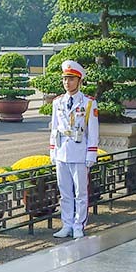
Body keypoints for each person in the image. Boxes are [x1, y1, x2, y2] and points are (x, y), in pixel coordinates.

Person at [49, 59, 100, 240]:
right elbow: (54, 128)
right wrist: (53, 151)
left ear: (79, 81)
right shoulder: (57, 102)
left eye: (71, 79)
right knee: (64, 192)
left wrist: (91, 153)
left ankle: (79, 225)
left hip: (79, 152)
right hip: (62, 151)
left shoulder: (88, 103)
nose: (67, 82)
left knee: (80, 192)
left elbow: (92, 131)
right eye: (64, 79)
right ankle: (67, 224)